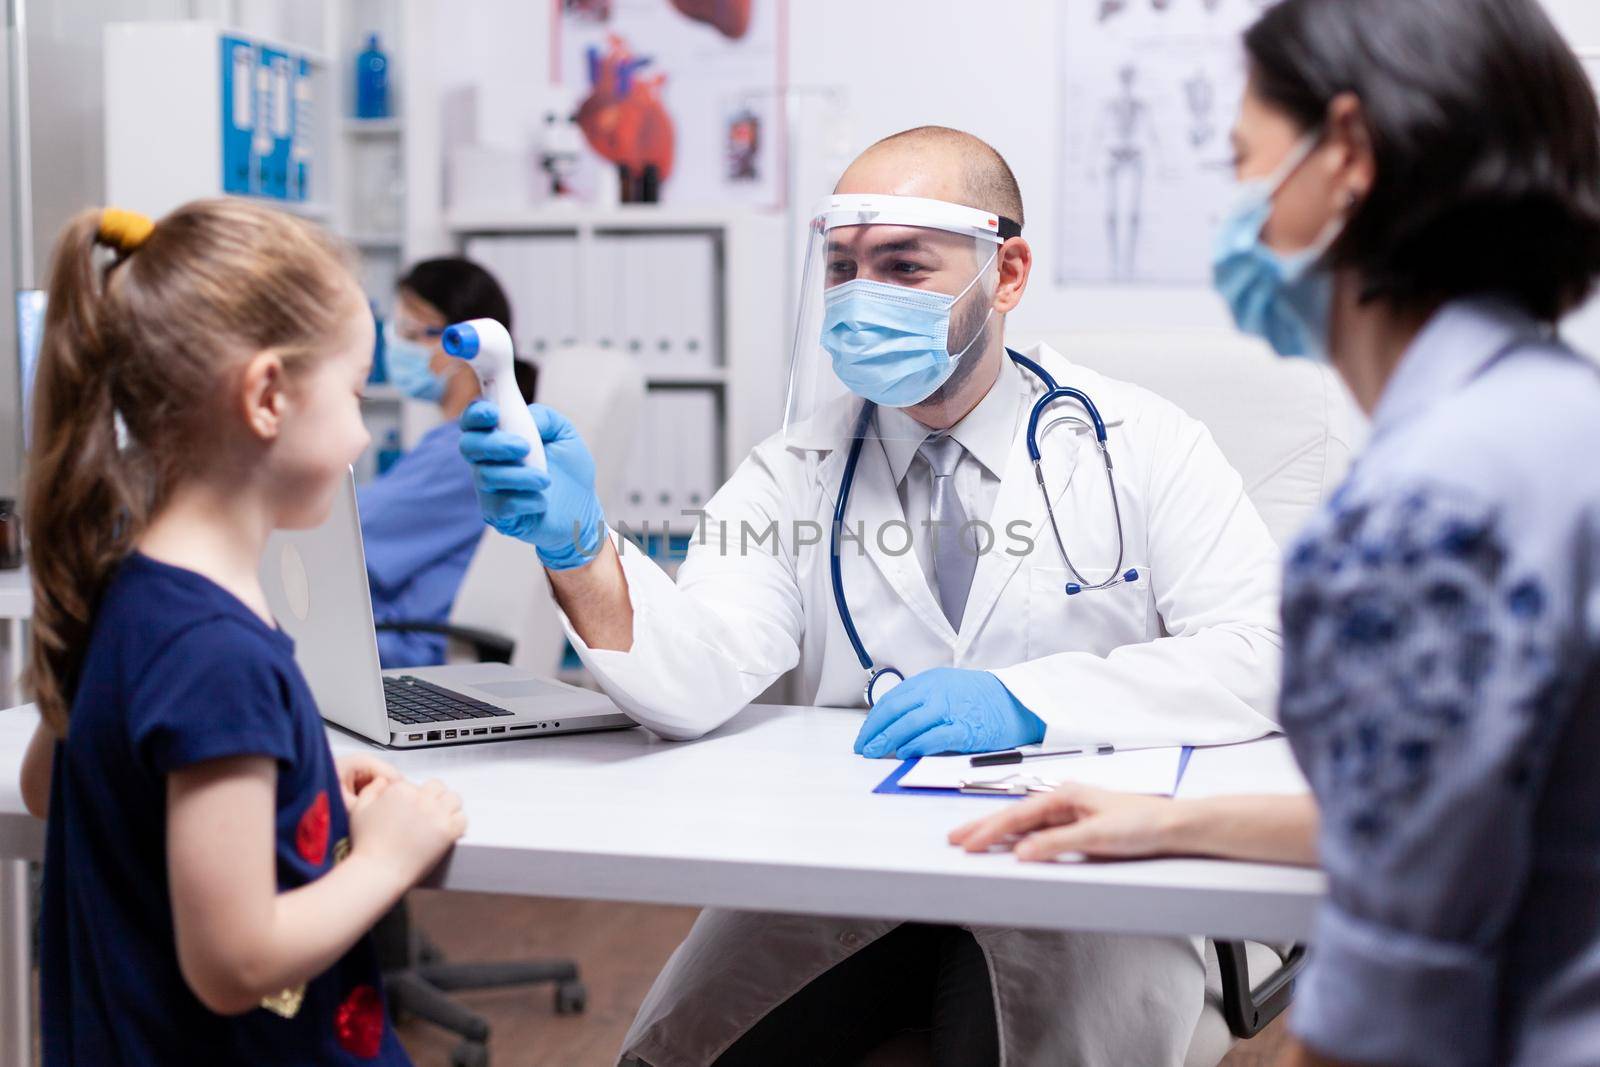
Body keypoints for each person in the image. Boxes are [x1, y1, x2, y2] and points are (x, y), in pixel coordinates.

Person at [461, 126, 1286, 1064]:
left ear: (1006, 274)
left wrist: (1028, 701)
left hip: (1073, 870)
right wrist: (579, 549)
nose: (861, 300)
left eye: (903, 265)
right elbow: (699, 670)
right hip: (843, 863)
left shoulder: (1141, 443)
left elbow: (1261, 649)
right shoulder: (795, 468)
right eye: (845, 268)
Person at [955, 2, 1600, 1065]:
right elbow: (1464, 820)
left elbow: (1392, 999)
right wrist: (1158, 821)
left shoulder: (1423, 509)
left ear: (1344, 154)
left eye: (1242, 160)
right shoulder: (1555, 423)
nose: (1238, 210)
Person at [16, 201, 467, 1064]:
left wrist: (289, 769)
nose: (359, 430)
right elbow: (235, 961)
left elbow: (59, 782)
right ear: (267, 396)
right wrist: (387, 859)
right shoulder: (212, 650)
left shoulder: (124, 591)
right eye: (353, 392)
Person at [358, 257, 534, 667]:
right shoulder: (470, 435)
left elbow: (350, 535)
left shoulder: (470, 447)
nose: (395, 346)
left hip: (403, 649)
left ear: (461, 345)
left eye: (409, 331)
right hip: (396, 633)